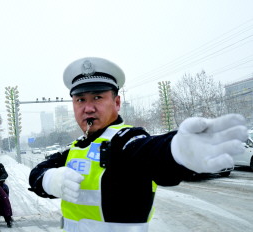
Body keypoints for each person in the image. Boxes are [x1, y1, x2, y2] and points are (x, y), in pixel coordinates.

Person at [28, 57, 248, 232]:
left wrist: (177, 150)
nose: (88, 108)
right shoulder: (76, 148)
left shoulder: (126, 140)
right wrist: (48, 180)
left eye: (97, 98)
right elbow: (37, 173)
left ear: (116, 102)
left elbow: (150, 152)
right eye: (80, 100)